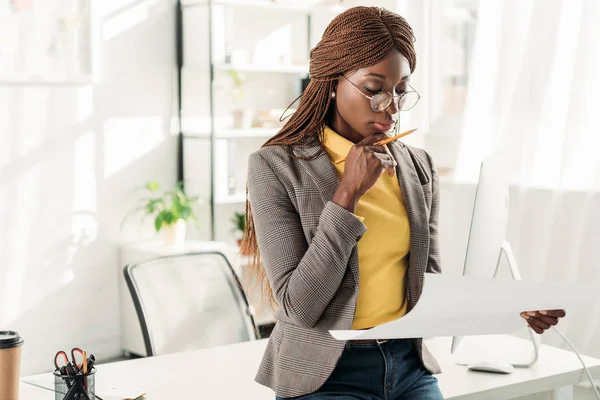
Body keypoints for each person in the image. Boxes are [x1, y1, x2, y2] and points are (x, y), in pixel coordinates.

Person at [242, 6, 566, 400]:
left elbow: (428, 285)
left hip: (408, 366)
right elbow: (300, 308)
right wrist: (347, 195)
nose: (391, 107)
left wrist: (511, 309)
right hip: (325, 375)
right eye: (374, 89)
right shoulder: (275, 167)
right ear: (330, 82)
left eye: (400, 90)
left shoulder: (417, 167)